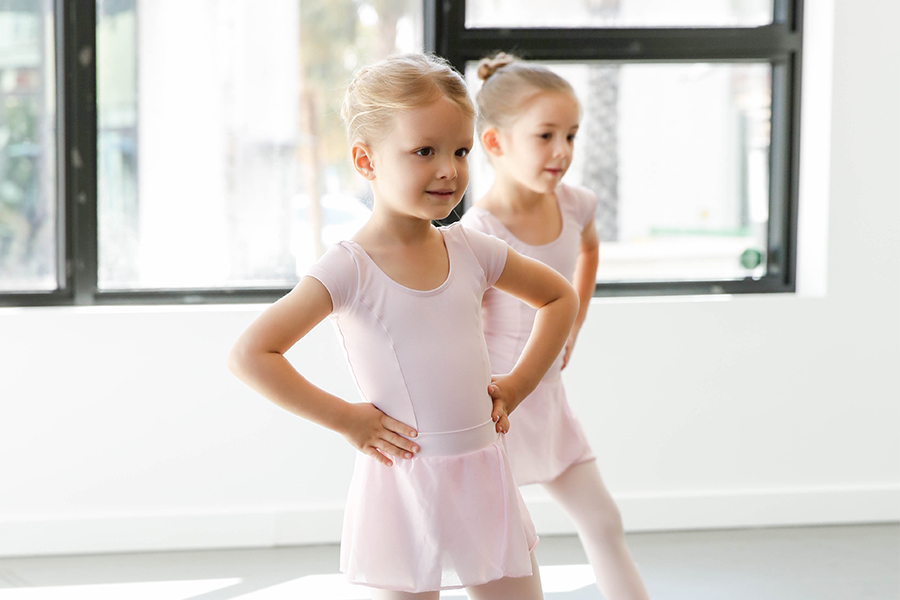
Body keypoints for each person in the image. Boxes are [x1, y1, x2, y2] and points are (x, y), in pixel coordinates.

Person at [228, 53, 579, 600]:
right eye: (424, 151)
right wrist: (347, 419)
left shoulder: (473, 249)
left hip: (485, 475)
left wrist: (518, 385)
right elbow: (251, 354)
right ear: (365, 160)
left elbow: (560, 296)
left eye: (460, 151)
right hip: (405, 479)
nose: (449, 170)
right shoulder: (349, 267)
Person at [460, 53, 652, 600]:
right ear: (495, 143)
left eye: (571, 135)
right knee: (504, 545)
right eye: (545, 136)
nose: (563, 150)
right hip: (496, 405)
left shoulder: (575, 205)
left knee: (603, 521)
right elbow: (463, 320)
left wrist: (576, 323)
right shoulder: (480, 229)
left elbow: (587, 251)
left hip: (547, 400)